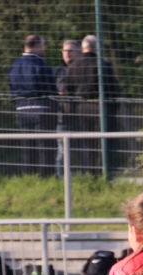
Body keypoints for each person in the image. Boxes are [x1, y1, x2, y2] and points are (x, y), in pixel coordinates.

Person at [66, 34, 122, 173]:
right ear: (97, 48)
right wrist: (115, 106)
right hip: (102, 108)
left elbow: (68, 91)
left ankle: (92, 173)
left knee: (89, 144)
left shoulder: (73, 67)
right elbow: (114, 90)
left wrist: (74, 108)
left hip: (82, 109)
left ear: (82, 48)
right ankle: (103, 173)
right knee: (104, 144)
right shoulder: (103, 65)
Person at [7, 35, 57, 176]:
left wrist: (17, 102)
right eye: (42, 45)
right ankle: (47, 176)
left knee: (28, 148)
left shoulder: (14, 66)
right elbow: (50, 90)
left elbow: (11, 88)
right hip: (41, 108)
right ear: (37, 46)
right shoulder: (42, 65)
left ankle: (29, 176)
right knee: (45, 147)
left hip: (21, 109)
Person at [54, 40, 80, 178]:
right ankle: (61, 179)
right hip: (62, 118)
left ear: (78, 52)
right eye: (65, 51)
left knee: (84, 149)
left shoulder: (82, 70)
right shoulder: (57, 72)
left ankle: (86, 176)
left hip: (81, 116)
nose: (67, 54)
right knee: (62, 151)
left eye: (70, 51)